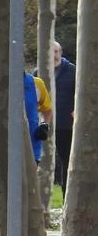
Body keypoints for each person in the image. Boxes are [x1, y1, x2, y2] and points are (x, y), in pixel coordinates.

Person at [52, 41, 75, 193]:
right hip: (44, 124)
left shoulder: (73, 70)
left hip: (65, 124)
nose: (53, 55)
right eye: (50, 52)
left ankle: (66, 197)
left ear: (61, 52)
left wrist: (75, 110)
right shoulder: (38, 71)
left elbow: (80, 93)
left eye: (56, 51)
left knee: (66, 161)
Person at [25, 70, 52, 164]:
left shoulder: (37, 83)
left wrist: (44, 124)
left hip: (32, 147)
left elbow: (47, 109)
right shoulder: (0, 85)